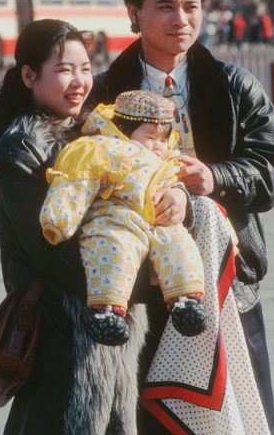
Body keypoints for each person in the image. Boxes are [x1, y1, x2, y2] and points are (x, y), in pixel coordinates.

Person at [89, 0, 274, 435]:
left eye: (191, 6)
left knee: (236, 412)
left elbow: (272, 170)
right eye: (165, 6)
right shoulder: (101, 95)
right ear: (133, 13)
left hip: (225, 281)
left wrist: (215, 179)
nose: (181, 18)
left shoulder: (235, 86)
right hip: (132, 288)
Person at [0, 19, 153, 435]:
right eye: (65, 69)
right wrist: (144, 283)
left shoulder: (92, 132)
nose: (80, 81)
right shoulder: (20, 144)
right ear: (29, 76)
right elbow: (51, 252)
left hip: (107, 320)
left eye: (86, 68)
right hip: (59, 328)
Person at [40, 90, 210, 346]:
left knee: (179, 243)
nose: (158, 146)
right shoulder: (102, 147)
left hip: (155, 221)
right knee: (114, 250)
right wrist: (59, 219)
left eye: (163, 140)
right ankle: (106, 311)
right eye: (150, 137)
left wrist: (178, 194)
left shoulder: (166, 159)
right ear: (121, 128)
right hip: (115, 219)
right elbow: (76, 181)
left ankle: (186, 300)